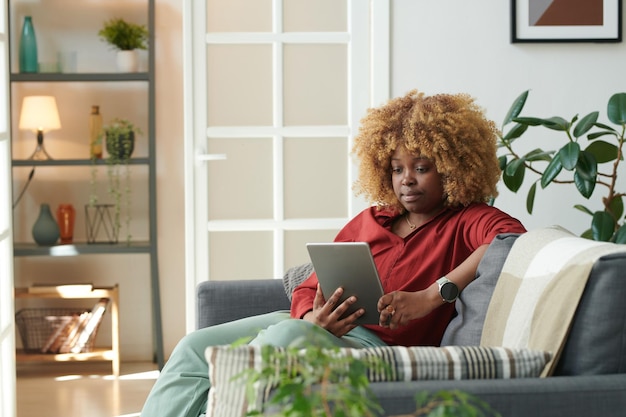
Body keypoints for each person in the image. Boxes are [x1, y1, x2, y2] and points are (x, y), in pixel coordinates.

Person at [140, 90, 526, 417]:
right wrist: (313, 317)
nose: (406, 179)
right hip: (312, 328)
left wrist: (431, 295)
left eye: (421, 167)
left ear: (452, 168)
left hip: (375, 348)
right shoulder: (372, 220)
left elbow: (510, 238)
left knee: (283, 338)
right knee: (194, 347)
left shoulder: (468, 220)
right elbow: (310, 285)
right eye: (396, 169)